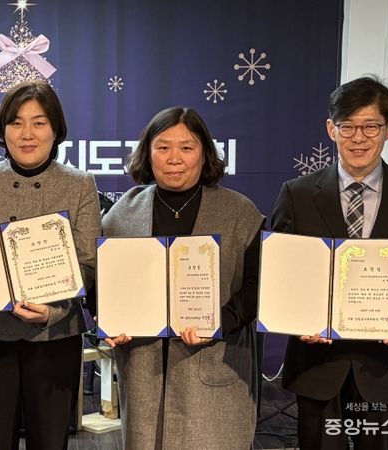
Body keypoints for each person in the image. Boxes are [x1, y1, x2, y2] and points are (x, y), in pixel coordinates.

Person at [271, 75, 388, 450]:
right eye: (347, 126)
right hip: (317, 365)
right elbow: (279, 273)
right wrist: (296, 317)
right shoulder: (297, 195)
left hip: (386, 366)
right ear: (331, 129)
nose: (358, 138)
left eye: (371, 126)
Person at [0, 80, 100, 450]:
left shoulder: (79, 184)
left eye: (39, 123)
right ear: (3, 129)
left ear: (55, 129)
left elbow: (89, 264)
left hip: (54, 337)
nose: (27, 134)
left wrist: (52, 313)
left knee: (50, 441)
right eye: (16, 122)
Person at [102, 106, 264, 449]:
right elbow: (102, 282)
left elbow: (258, 286)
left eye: (187, 147)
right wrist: (108, 319)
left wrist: (219, 322)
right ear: (148, 153)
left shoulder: (240, 212)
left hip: (215, 370)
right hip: (144, 372)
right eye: (163, 147)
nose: (174, 158)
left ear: (204, 154)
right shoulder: (122, 213)